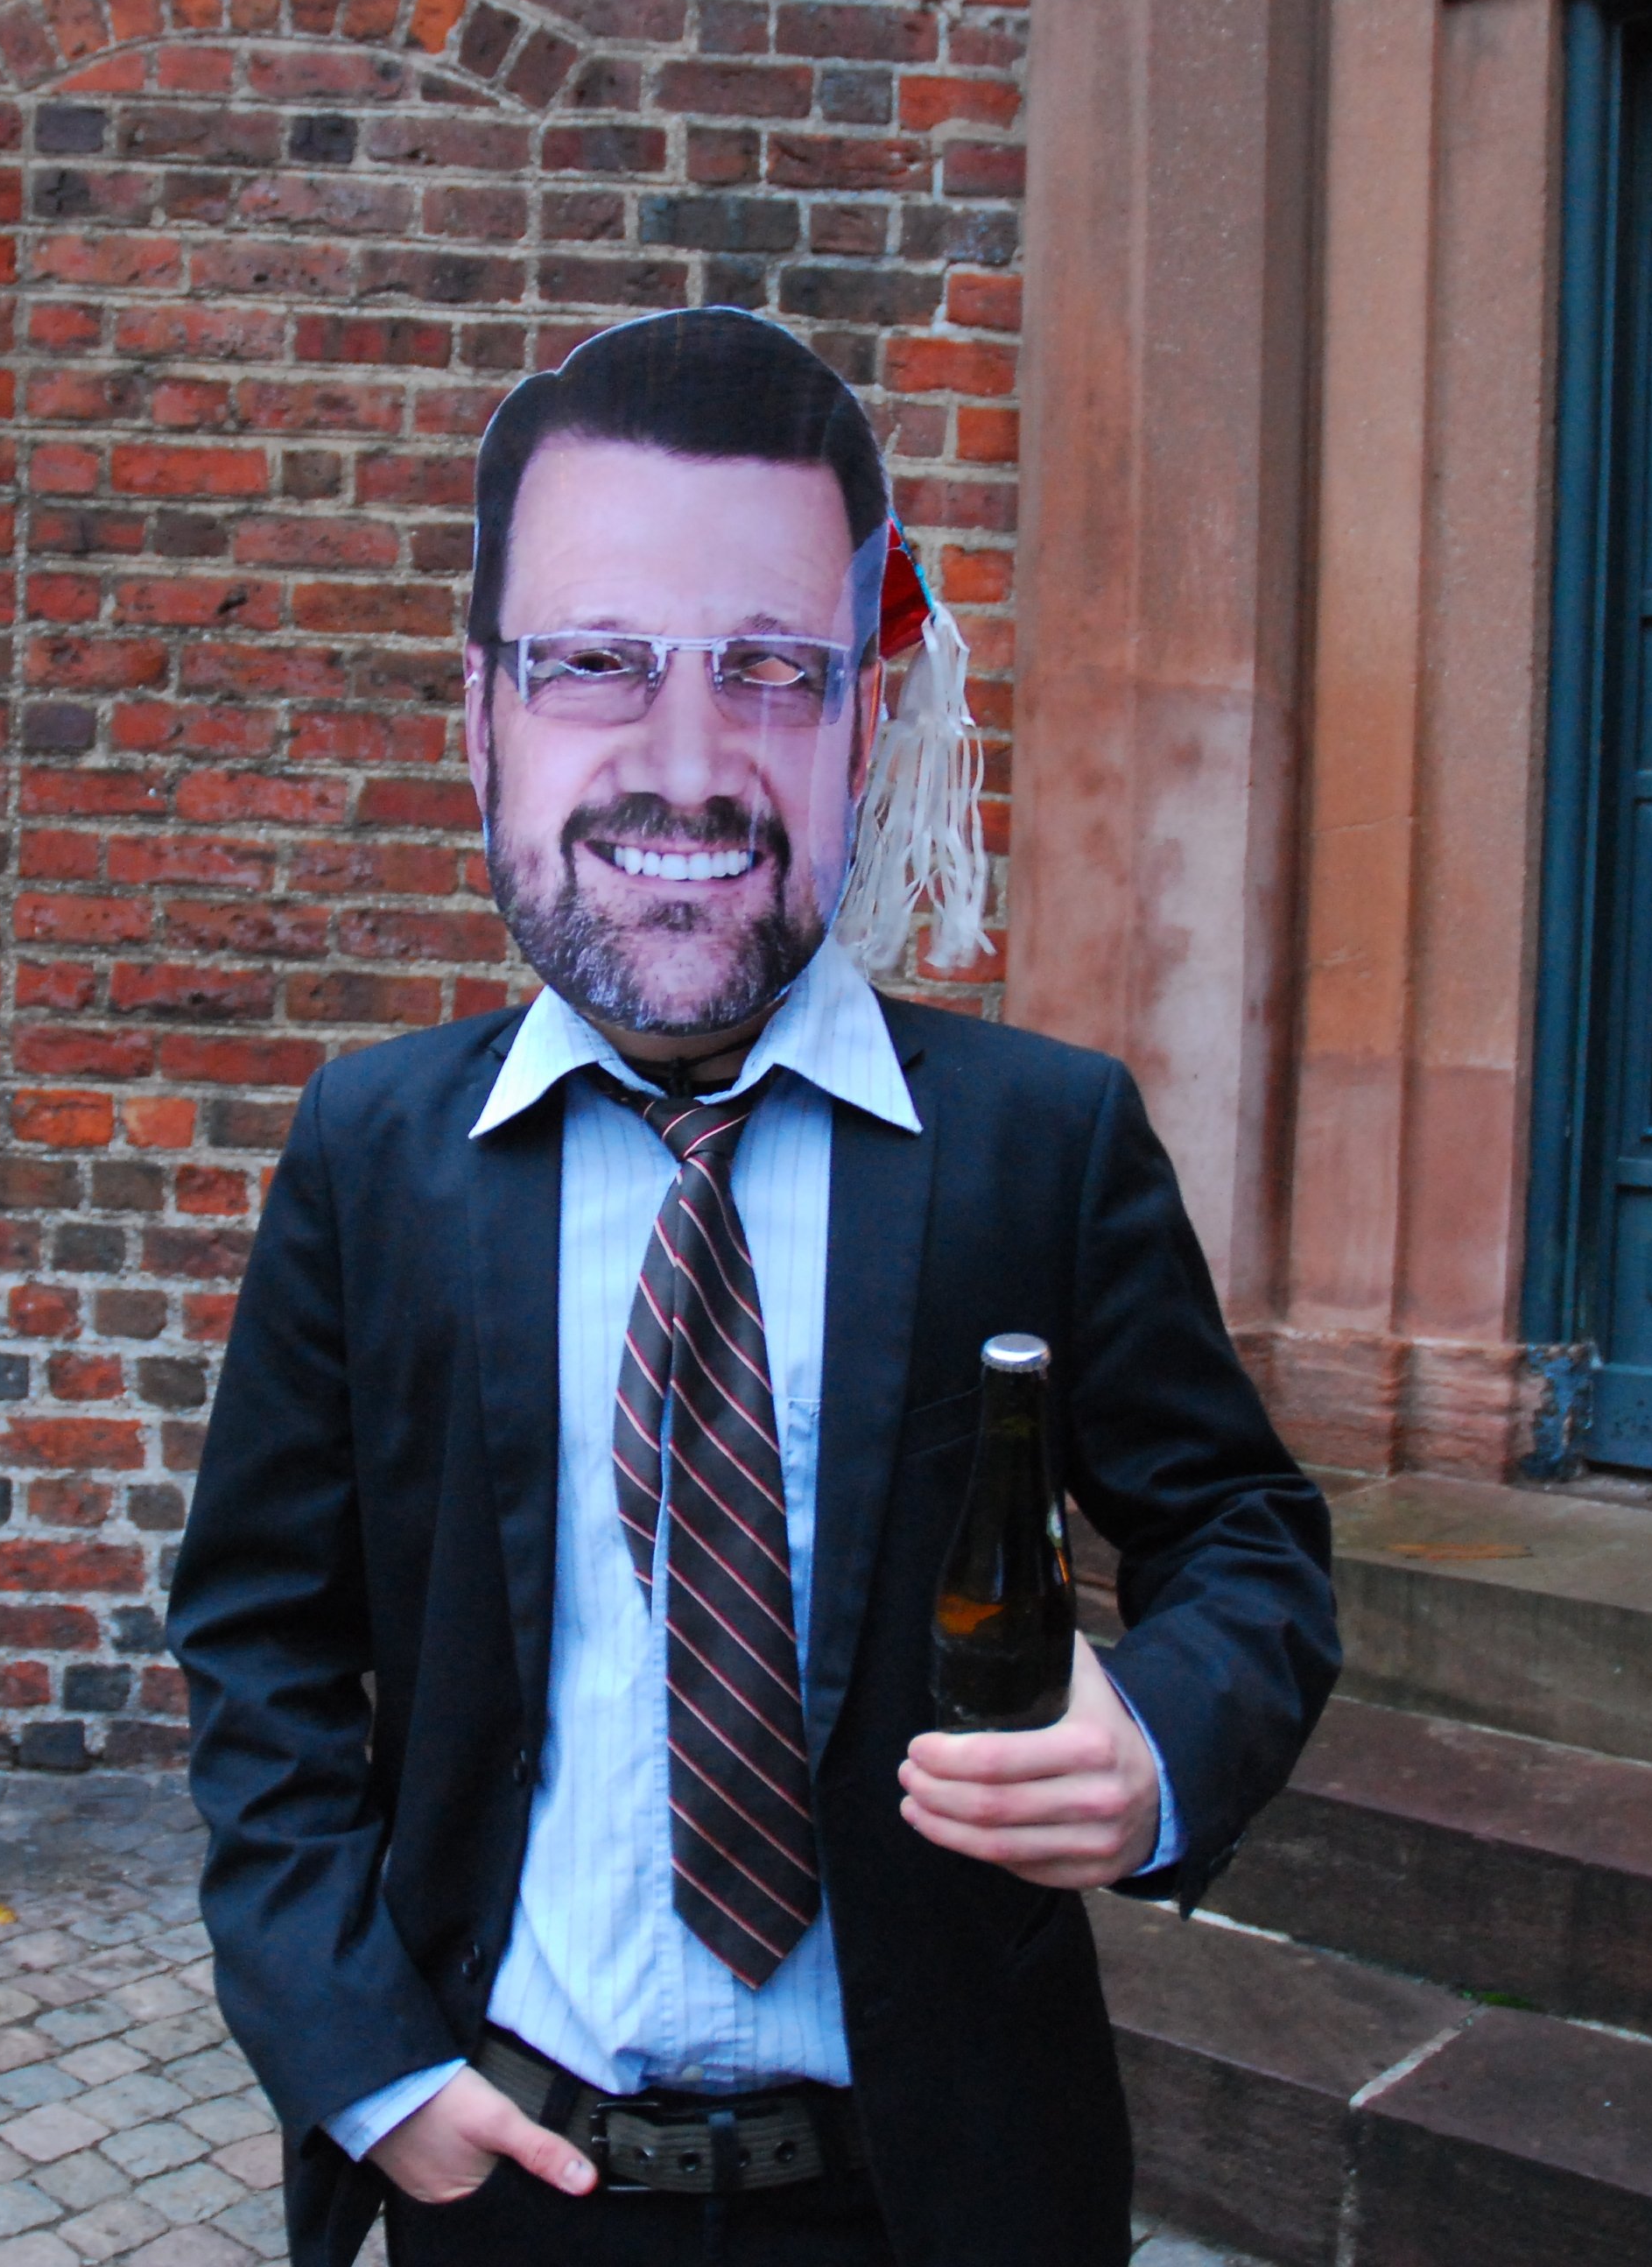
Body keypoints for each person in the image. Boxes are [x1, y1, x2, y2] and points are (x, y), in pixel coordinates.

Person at [168, 307, 1339, 2267]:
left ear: (864, 723)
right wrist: (370, 2069)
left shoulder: (1036, 1144)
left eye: (776, 673)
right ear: (482, 715)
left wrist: (1153, 1745)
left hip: (935, 2197)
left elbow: (1245, 1534)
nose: (689, 765)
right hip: (513, 2177)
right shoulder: (372, 1154)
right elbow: (264, 1636)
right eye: (596, 665)